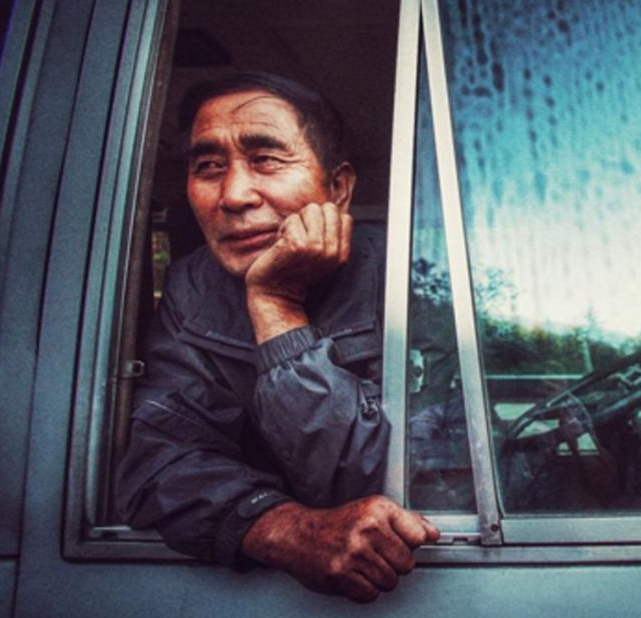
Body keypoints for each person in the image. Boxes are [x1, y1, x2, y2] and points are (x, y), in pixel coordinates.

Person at [117, 71, 438, 603]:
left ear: (337, 188)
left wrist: (276, 306)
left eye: (266, 159)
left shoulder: (414, 278)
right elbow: (159, 466)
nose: (235, 195)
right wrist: (282, 528)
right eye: (208, 167)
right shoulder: (192, 287)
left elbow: (388, 495)